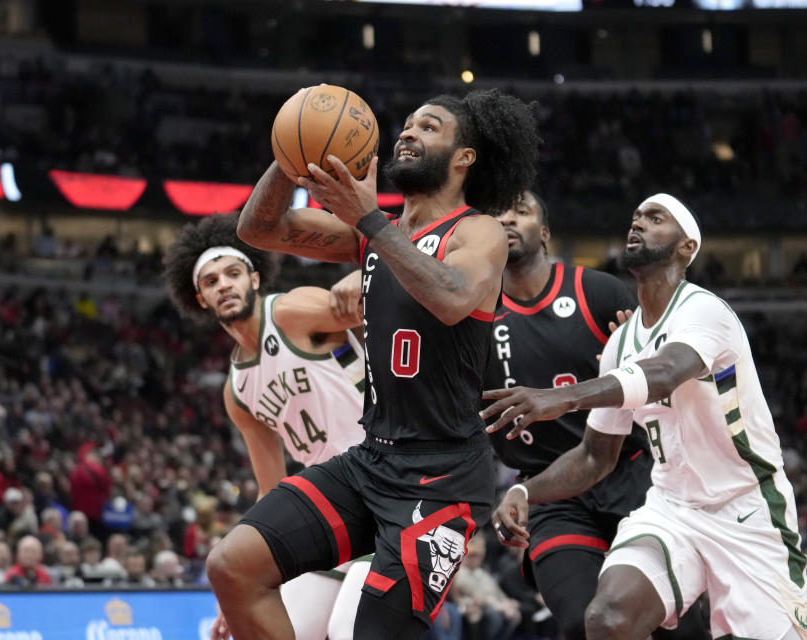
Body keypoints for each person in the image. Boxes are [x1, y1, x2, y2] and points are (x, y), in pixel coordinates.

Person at [208, 88, 539, 639]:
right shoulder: (376, 234)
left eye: (429, 127)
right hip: (371, 460)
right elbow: (258, 231)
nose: (407, 132)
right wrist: (294, 150)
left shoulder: (475, 230)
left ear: (464, 157)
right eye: (406, 124)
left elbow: (453, 296)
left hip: (442, 478)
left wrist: (368, 220)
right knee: (232, 567)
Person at [483, 193, 807, 640]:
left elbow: (662, 373)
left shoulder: (704, 310)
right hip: (671, 507)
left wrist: (560, 400)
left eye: (655, 218)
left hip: (747, 507)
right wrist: (525, 489)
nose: (637, 224)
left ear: (686, 248)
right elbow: (594, 457)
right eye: (636, 217)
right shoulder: (621, 343)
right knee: (604, 620)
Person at [163, 212, 370, 640]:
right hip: (332, 503)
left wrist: (365, 277)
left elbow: (383, 309)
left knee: (347, 629)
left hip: (386, 480)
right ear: (200, 298)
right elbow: (271, 487)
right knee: (265, 630)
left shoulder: (291, 311)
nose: (223, 284)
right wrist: (238, 591)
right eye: (211, 280)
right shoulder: (237, 389)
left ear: (254, 279)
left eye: (233, 273)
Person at [485, 190, 654, 639]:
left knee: (675, 625)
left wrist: (634, 359)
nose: (507, 219)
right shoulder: (474, 317)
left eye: (520, 212)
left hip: (629, 472)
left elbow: (660, 380)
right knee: (583, 625)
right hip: (548, 490)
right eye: (498, 212)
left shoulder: (598, 292)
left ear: (543, 233)